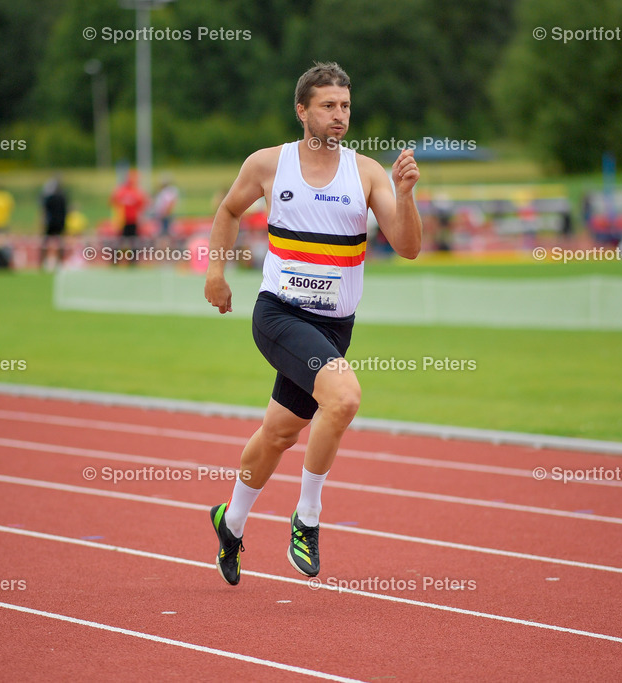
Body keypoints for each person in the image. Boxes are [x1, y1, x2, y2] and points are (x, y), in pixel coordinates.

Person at [204, 62, 422, 586]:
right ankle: (307, 518)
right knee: (343, 399)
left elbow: (409, 247)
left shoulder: (366, 173)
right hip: (279, 313)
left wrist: (405, 194)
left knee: (279, 433)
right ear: (302, 111)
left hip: (334, 327)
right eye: (328, 106)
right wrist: (215, 272)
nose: (339, 115)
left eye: (345, 105)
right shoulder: (267, 164)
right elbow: (229, 211)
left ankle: (230, 522)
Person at [110, 169, 148, 263]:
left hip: (133, 220)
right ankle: (115, 259)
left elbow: (142, 206)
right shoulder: (122, 191)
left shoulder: (136, 191)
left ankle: (133, 260)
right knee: (120, 240)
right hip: (123, 220)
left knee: (133, 240)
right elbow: (114, 202)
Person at [41, 176, 68, 270]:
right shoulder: (62, 198)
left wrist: (43, 222)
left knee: (47, 242)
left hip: (51, 223)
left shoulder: (50, 198)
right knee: (58, 242)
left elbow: (44, 212)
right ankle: (59, 261)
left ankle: (44, 261)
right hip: (59, 223)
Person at [153, 175, 179, 248]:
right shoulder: (165, 191)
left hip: (164, 216)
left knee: (165, 233)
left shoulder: (168, 191)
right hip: (162, 215)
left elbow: (170, 203)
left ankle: (167, 248)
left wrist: (165, 213)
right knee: (163, 232)